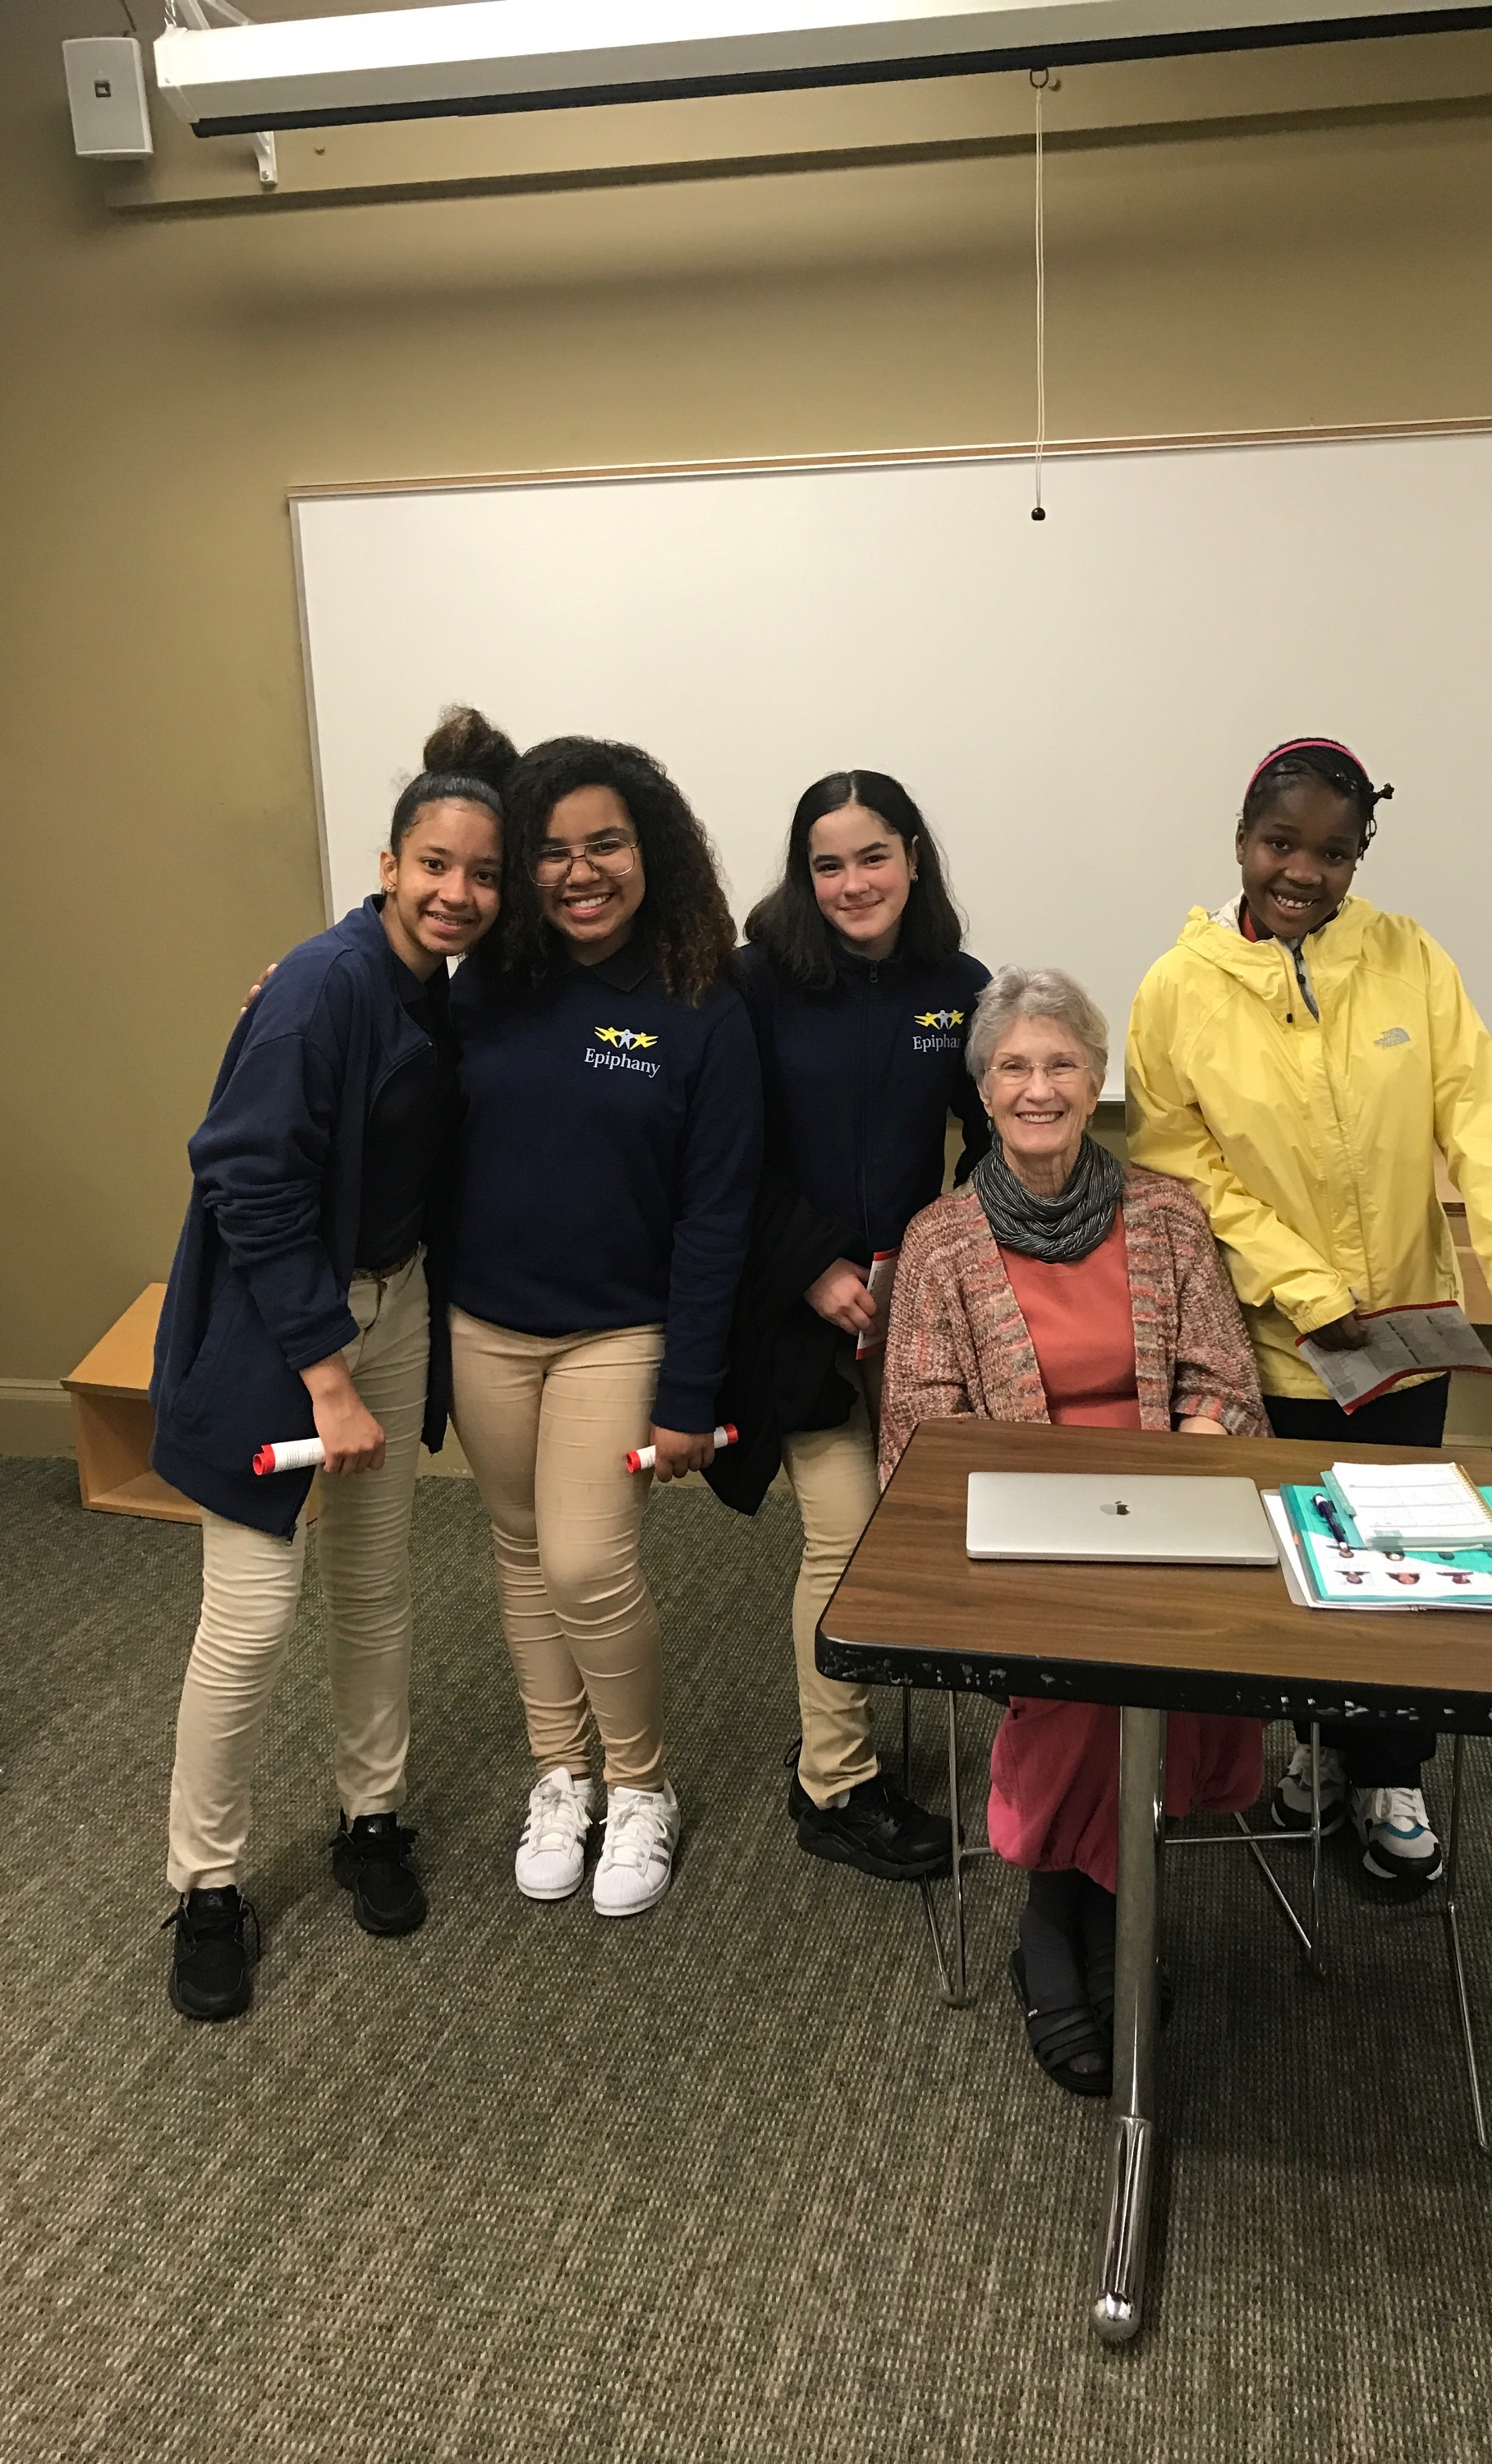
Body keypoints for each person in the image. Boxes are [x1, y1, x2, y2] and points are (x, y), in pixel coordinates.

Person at [1125, 736, 1492, 1888]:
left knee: (1401, 1562)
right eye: (1281, 844)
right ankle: (1310, 1752)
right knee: (1288, 1567)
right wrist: (1305, 1290)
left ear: (1357, 861)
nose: (1303, 871)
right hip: (1271, 1346)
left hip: (1400, 1344)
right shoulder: (1174, 989)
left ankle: (1386, 1769)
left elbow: (1479, 1123)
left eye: (1333, 853)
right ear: (1241, 843)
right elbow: (1180, 1164)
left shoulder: (1408, 962)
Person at [152, 709, 511, 2021]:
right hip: (283, 1330)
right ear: (389, 861)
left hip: (395, 1298)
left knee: (374, 1588)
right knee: (249, 1622)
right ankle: (206, 1886)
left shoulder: (443, 987)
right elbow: (244, 1175)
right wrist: (327, 1372)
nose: (457, 894)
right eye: (435, 866)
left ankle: (371, 1818)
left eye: (481, 873)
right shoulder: (323, 983)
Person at [879, 968, 1268, 2094]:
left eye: (1060, 1064)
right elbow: (917, 1431)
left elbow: (1227, 1384)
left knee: (1142, 1654)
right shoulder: (942, 1240)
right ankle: (1086, 1924)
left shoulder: (1166, 1217)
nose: (1037, 1086)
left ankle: (1069, 1922)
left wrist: (1174, 1468)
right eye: (1013, 1067)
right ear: (984, 1090)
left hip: (1161, 1526)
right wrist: (1043, 1515)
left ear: (1097, 1082)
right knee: (1088, 1677)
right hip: (1018, 1541)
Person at [446, 735, 762, 1921]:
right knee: (521, 1550)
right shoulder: (486, 984)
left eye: (607, 845)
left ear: (652, 851)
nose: (581, 873)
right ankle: (560, 1774)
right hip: (485, 1324)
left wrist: (691, 1390)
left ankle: (640, 1785)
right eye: (552, 852)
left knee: (587, 1561)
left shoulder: (700, 1007)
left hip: (617, 1336)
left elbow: (718, 1217)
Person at [709, 771, 990, 1880]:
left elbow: (988, 1129)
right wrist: (814, 1267)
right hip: (797, 1311)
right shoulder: (752, 986)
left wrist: (943, 1246)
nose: (851, 883)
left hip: (915, 1311)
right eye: (826, 864)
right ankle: (835, 1783)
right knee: (844, 1532)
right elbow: (732, 1156)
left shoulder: (959, 986)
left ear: (911, 858)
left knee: (930, 1522)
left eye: (871, 856)